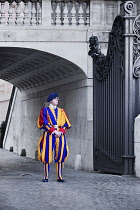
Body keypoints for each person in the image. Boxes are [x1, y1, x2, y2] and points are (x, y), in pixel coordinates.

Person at [37, 93, 71, 182]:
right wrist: (54, 131)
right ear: (51, 100)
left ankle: (59, 176)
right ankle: (46, 176)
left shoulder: (61, 111)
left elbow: (66, 123)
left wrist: (61, 131)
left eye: (57, 98)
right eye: (55, 99)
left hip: (60, 135)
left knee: (60, 155)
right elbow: (44, 122)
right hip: (49, 134)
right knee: (46, 155)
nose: (57, 100)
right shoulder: (45, 110)